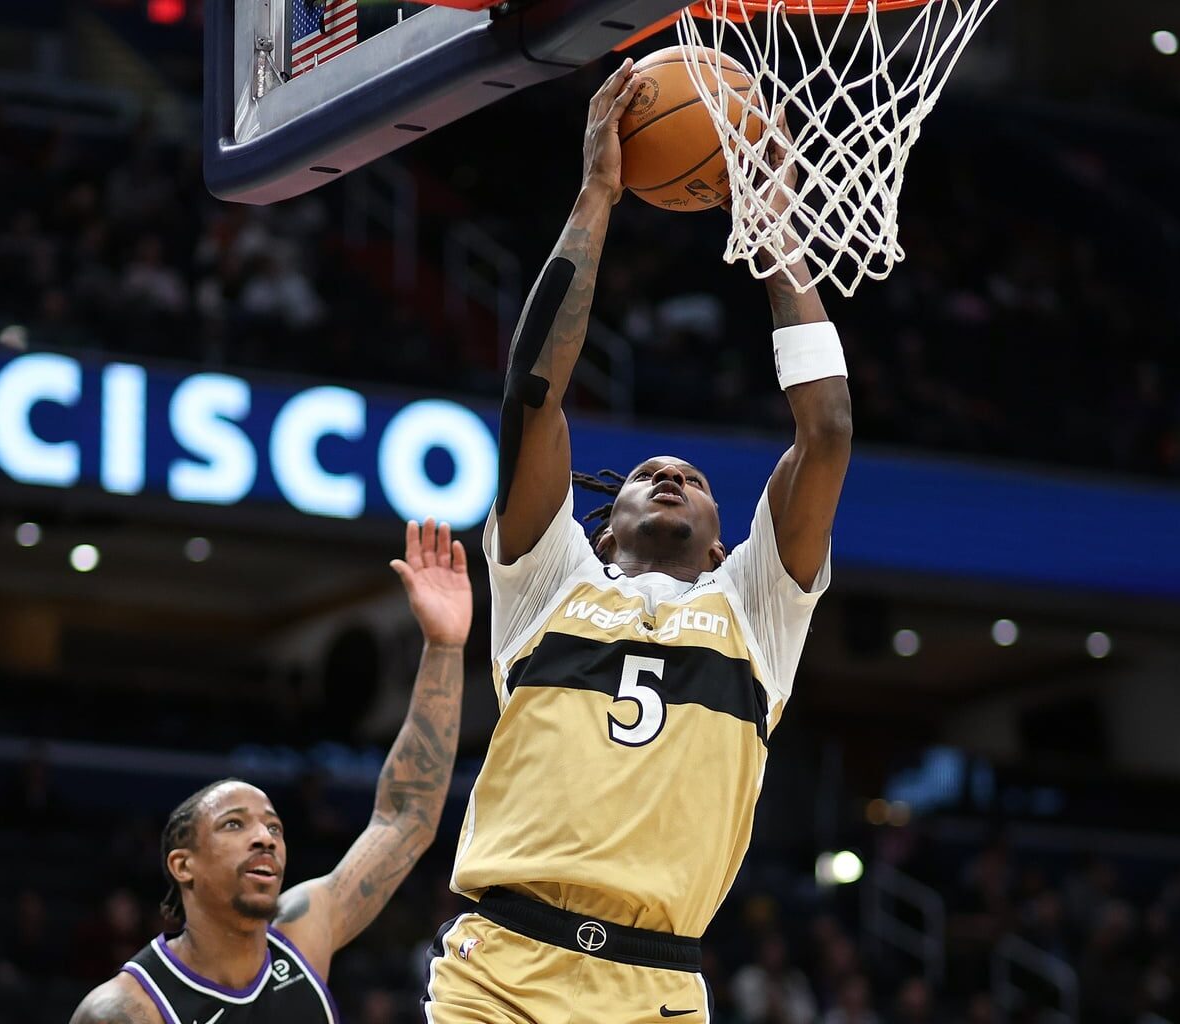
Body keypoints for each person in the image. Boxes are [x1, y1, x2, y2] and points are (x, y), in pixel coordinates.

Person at [421, 60, 852, 1021]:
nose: (670, 476)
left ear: (722, 545)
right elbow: (532, 396)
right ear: (601, 526)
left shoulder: (755, 608)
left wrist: (773, 228)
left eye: (692, 480)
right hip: (500, 970)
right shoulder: (546, 581)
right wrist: (596, 198)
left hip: (656, 984)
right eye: (649, 474)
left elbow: (825, 433)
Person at [70, 518, 472, 1024]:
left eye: (274, 827)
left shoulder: (303, 934)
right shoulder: (126, 1010)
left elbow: (406, 815)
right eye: (234, 824)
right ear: (183, 865)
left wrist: (443, 647)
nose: (264, 838)